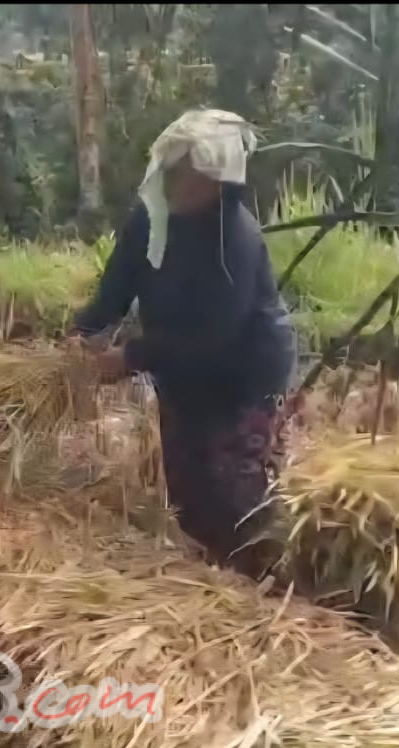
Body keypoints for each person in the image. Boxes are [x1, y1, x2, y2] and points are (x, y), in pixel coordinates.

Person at [71, 109, 297, 579]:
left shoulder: (234, 240)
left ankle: (255, 586)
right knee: (185, 481)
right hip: (180, 373)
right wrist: (80, 336)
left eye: (188, 171)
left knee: (234, 495)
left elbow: (213, 338)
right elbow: (116, 289)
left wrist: (130, 356)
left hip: (241, 381)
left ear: (217, 182)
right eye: (172, 166)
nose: (175, 179)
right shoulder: (149, 221)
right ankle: (202, 575)